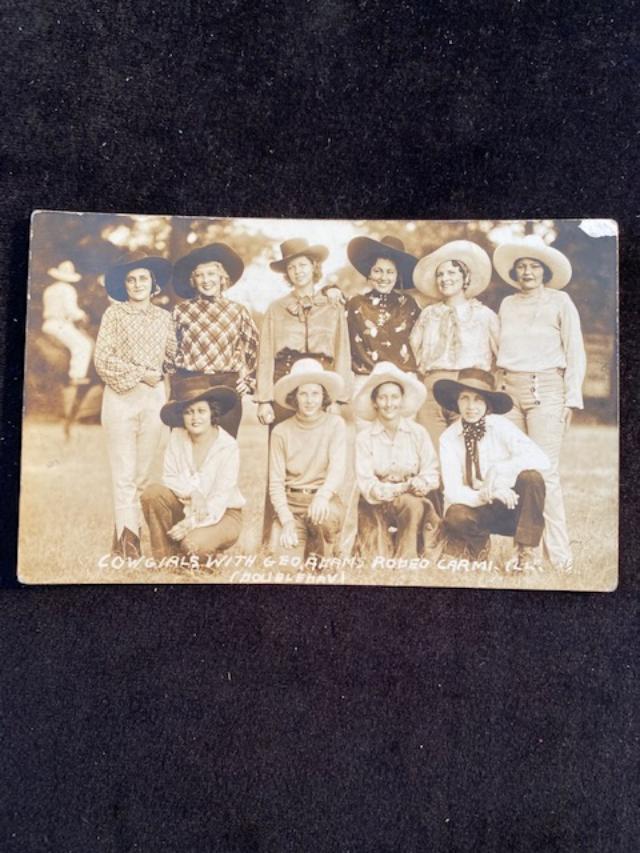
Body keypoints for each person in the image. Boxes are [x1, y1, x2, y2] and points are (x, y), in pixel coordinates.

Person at [493, 235, 586, 570]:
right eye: (521, 267)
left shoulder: (560, 302)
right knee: (518, 471)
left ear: (545, 271)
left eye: (534, 266)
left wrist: (571, 398)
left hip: (546, 387)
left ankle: (560, 558)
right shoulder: (506, 304)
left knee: (546, 472)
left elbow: (575, 350)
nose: (527, 272)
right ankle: (525, 552)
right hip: (510, 391)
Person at [94, 253, 177, 558]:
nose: (137, 284)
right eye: (131, 279)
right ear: (123, 285)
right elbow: (103, 360)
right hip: (120, 398)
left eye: (143, 278)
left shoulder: (164, 317)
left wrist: (163, 369)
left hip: (153, 398)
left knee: (142, 475)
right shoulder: (114, 315)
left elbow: (172, 357)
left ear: (153, 283)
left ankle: (129, 536)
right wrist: (143, 372)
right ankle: (128, 543)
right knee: (124, 473)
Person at [434, 368, 549, 568]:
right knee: (455, 514)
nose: (471, 406)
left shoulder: (500, 426)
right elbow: (452, 491)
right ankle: (478, 551)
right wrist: (489, 494)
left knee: (532, 478)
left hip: (511, 508)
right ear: (456, 402)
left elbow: (541, 459)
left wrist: (498, 471)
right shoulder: (448, 439)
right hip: (478, 508)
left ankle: (525, 554)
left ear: (487, 404)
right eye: (464, 398)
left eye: (478, 399)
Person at [141, 384, 245, 563]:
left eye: (201, 411)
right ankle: (165, 560)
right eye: (189, 412)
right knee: (152, 493)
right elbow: (170, 477)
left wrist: (190, 524)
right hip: (185, 506)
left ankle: (207, 552)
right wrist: (193, 493)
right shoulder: (177, 437)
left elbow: (220, 498)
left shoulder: (227, 446)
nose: (195, 418)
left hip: (222, 514)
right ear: (182, 416)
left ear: (212, 413)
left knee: (193, 546)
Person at [255, 238, 352, 427]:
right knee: (284, 443)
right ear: (286, 273)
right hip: (284, 383)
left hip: (321, 384)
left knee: (320, 448)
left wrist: (338, 399)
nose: (298, 271)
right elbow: (265, 356)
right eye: (291, 267)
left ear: (314, 267)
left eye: (302, 265)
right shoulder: (276, 308)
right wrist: (264, 400)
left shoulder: (332, 306)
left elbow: (343, 351)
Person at [410, 240, 498, 445]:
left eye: (451, 273)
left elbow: (501, 356)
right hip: (433, 389)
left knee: (467, 450)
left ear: (465, 277)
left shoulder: (484, 315)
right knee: (434, 450)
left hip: (469, 388)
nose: (445, 279)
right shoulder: (428, 315)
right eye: (440, 274)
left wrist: (486, 386)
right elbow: (415, 350)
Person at [170, 242, 259, 438]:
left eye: (211, 274)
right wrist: (175, 381)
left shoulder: (237, 311)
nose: (206, 280)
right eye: (200, 275)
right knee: (187, 445)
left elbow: (256, 348)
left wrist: (250, 380)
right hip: (190, 384)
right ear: (193, 280)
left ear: (222, 278)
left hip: (226, 386)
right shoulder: (181, 311)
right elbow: (169, 351)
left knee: (224, 445)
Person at [354, 362, 441, 560]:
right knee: (375, 558)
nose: (389, 403)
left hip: (411, 500)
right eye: (382, 397)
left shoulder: (418, 433)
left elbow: (431, 471)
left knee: (412, 503)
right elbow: (366, 483)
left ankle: (407, 558)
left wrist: (422, 483)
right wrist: (397, 489)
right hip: (376, 502)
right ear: (374, 402)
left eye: (394, 397)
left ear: (402, 400)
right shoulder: (364, 437)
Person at [268, 359, 346, 562]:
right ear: (294, 397)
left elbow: (337, 470)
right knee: (286, 569)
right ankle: (300, 542)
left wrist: (322, 497)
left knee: (321, 565)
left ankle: (328, 546)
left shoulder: (335, 424)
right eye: (303, 394)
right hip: (292, 506)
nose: (309, 400)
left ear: (324, 397)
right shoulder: (280, 431)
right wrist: (286, 521)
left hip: (322, 501)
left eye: (315, 394)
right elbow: (275, 483)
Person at [345, 234, 420, 399]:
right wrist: (329, 289)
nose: (383, 278)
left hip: (404, 381)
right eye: (377, 271)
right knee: (365, 425)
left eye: (390, 272)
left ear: (397, 275)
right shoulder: (354, 304)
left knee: (404, 425)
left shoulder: (409, 305)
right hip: (366, 380)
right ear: (369, 273)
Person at [41, 260, 94, 384]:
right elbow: (71, 311)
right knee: (84, 345)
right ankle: (76, 376)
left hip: (48, 324)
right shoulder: (68, 289)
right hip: (60, 325)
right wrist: (83, 315)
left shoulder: (49, 289)